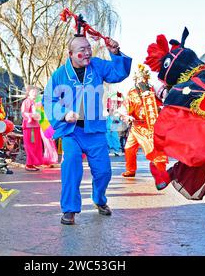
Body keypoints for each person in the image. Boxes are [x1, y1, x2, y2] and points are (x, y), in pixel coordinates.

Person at [43, 35, 131, 225]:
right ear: (71, 54)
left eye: (89, 47)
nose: (87, 52)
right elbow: (48, 100)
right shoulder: (59, 75)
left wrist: (115, 53)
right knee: (71, 166)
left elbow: (118, 73)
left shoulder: (97, 66)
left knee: (103, 172)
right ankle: (69, 209)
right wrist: (64, 113)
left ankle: (99, 199)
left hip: (95, 131)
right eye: (82, 49)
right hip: (71, 132)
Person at [117, 64, 169, 188]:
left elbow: (165, 101)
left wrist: (161, 108)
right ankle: (131, 170)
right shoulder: (132, 93)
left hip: (149, 127)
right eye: (139, 79)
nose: (142, 81)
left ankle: (161, 171)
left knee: (154, 149)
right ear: (135, 80)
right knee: (129, 148)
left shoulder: (154, 90)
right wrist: (126, 116)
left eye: (144, 78)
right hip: (136, 126)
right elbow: (125, 107)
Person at [21, 85, 44, 171]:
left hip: (36, 126)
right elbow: (24, 113)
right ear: (28, 93)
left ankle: (34, 162)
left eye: (36, 92)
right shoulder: (26, 102)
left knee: (36, 145)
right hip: (29, 126)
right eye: (32, 92)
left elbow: (41, 113)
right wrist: (32, 116)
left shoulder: (38, 101)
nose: (35, 93)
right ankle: (29, 164)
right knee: (30, 145)